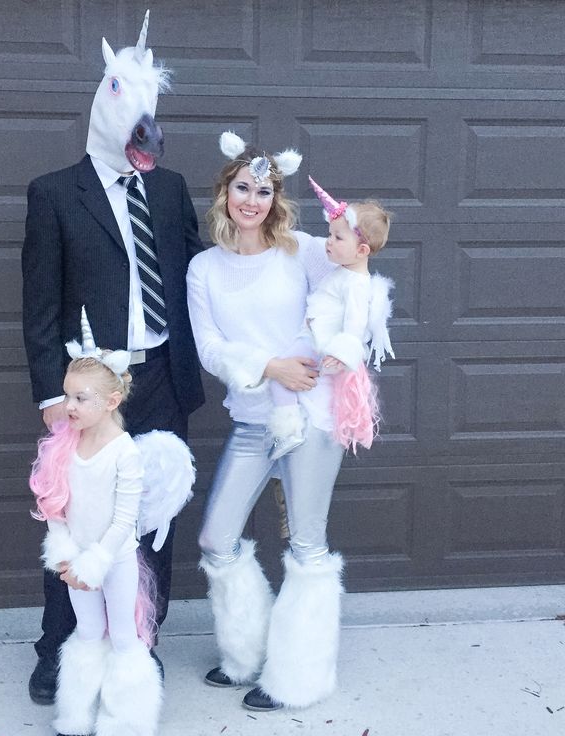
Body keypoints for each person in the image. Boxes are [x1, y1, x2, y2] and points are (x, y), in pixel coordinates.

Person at [22, 12, 204, 705]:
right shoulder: (53, 193)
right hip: (89, 385)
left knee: (150, 519)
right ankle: (60, 648)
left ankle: (137, 642)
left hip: (158, 375)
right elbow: (38, 306)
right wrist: (50, 395)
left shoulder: (167, 186)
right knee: (74, 516)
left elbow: (196, 270)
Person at [186, 131, 392, 713]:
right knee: (215, 537)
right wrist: (269, 366)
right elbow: (209, 347)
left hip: (311, 417)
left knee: (306, 545)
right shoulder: (204, 268)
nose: (252, 200)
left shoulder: (302, 248)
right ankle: (247, 652)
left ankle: (296, 676)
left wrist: (324, 356)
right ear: (226, 192)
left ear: (276, 199)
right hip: (254, 416)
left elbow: (355, 299)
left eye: (265, 190)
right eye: (243, 188)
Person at [30, 310, 194, 736]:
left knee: (123, 637)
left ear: (111, 401)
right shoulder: (62, 448)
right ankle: (77, 714)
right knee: (87, 633)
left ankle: (126, 721)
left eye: (81, 399)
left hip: (113, 561)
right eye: (67, 396)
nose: (69, 406)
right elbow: (54, 506)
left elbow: (125, 519)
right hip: (77, 561)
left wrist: (98, 559)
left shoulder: (125, 452)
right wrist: (66, 555)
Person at [267, 177, 394, 459]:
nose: (328, 242)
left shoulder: (356, 285)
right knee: (284, 375)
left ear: (361, 251)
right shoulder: (344, 272)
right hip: (312, 336)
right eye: (329, 234)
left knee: (279, 376)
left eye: (338, 238)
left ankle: (288, 431)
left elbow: (356, 324)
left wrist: (342, 351)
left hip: (318, 343)